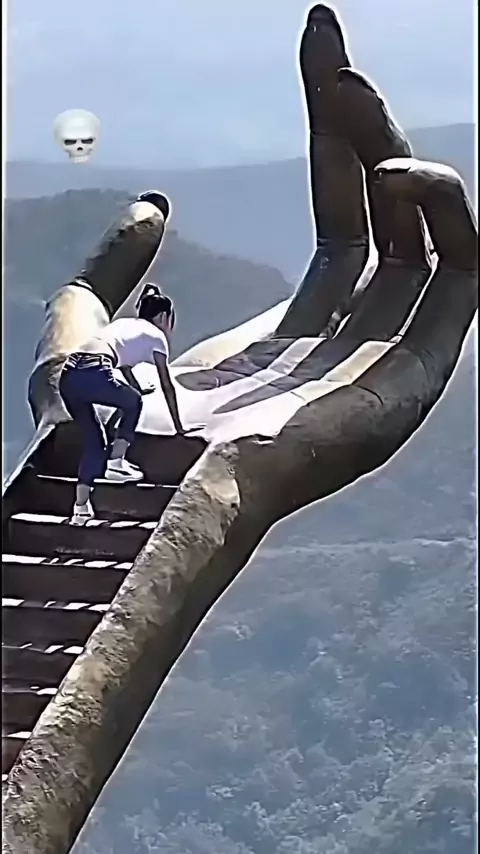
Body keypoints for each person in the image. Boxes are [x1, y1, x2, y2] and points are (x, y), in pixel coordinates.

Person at [59, 284, 186, 525]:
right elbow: (166, 384)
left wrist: (136, 387)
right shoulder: (157, 336)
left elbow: (125, 367)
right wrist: (179, 427)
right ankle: (117, 462)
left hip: (69, 373)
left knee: (94, 444)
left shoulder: (125, 325)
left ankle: (80, 508)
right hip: (95, 368)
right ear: (163, 317)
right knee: (133, 402)